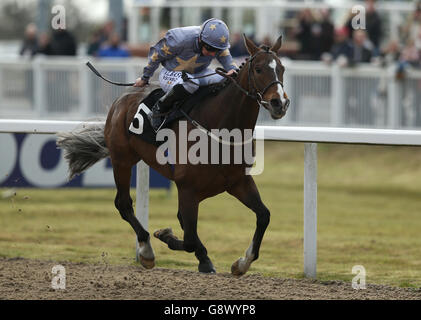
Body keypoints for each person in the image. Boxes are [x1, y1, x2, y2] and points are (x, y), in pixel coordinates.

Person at [133, 18, 238, 131]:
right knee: (191, 84)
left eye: (216, 50)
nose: (213, 53)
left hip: (198, 73)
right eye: (210, 49)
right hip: (171, 73)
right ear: (200, 39)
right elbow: (156, 54)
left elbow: (227, 59)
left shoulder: (216, 44)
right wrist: (145, 78)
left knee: (226, 79)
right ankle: (159, 108)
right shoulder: (179, 38)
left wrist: (233, 70)